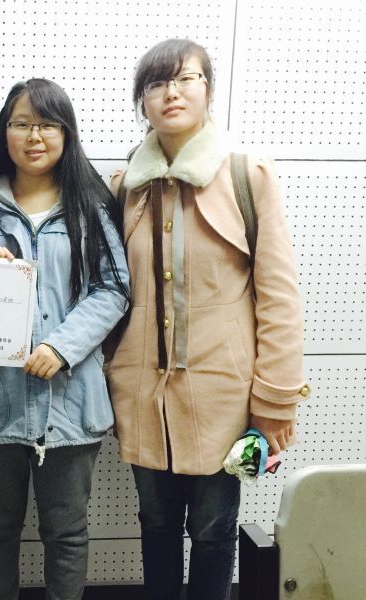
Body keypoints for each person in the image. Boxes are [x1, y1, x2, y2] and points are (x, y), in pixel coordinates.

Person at [106, 39, 310, 600]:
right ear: (142, 101)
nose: (170, 93)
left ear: (209, 91)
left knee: (215, 532)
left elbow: (279, 298)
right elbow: (107, 292)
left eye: (185, 79)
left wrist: (274, 402)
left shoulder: (247, 175)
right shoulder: (124, 187)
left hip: (225, 397)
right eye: (156, 84)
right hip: (143, 394)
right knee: (155, 525)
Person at [0, 78, 130, 600]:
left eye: (47, 124)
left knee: (68, 532)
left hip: (71, 402)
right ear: (4, 133)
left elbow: (114, 288)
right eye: (21, 124)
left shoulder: (91, 207)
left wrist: (60, 347)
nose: (34, 136)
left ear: (66, 133)